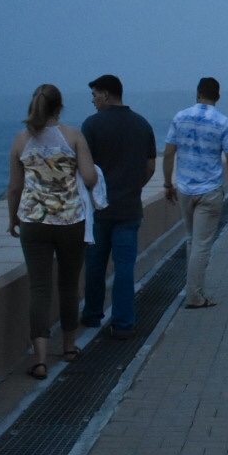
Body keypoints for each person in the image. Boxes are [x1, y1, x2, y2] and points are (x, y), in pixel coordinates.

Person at [6, 83, 97, 380]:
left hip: (34, 222)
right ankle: (69, 348)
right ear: (60, 107)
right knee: (69, 286)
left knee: (40, 289)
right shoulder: (73, 136)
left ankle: (41, 359)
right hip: (71, 222)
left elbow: (15, 187)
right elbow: (89, 178)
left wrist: (13, 219)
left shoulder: (22, 141)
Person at [80, 74, 157, 340]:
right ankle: (123, 323)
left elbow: (84, 169)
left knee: (95, 265)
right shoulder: (142, 124)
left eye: (94, 95)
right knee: (124, 267)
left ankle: (92, 315)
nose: (93, 100)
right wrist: (134, 187)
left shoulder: (91, 126)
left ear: (105, 94)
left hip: (99, 210)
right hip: (129, 207)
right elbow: (150, 166)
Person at [162, 76, 228, 309]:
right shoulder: (223, 122)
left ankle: (193, 288)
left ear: (197, 93)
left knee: (192, 240)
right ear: (218, 96)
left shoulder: (180, 117)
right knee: (202, 244)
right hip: (209, 190)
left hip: (185, 189)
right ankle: (195, 295)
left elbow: (168, 153)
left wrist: (168, 184)